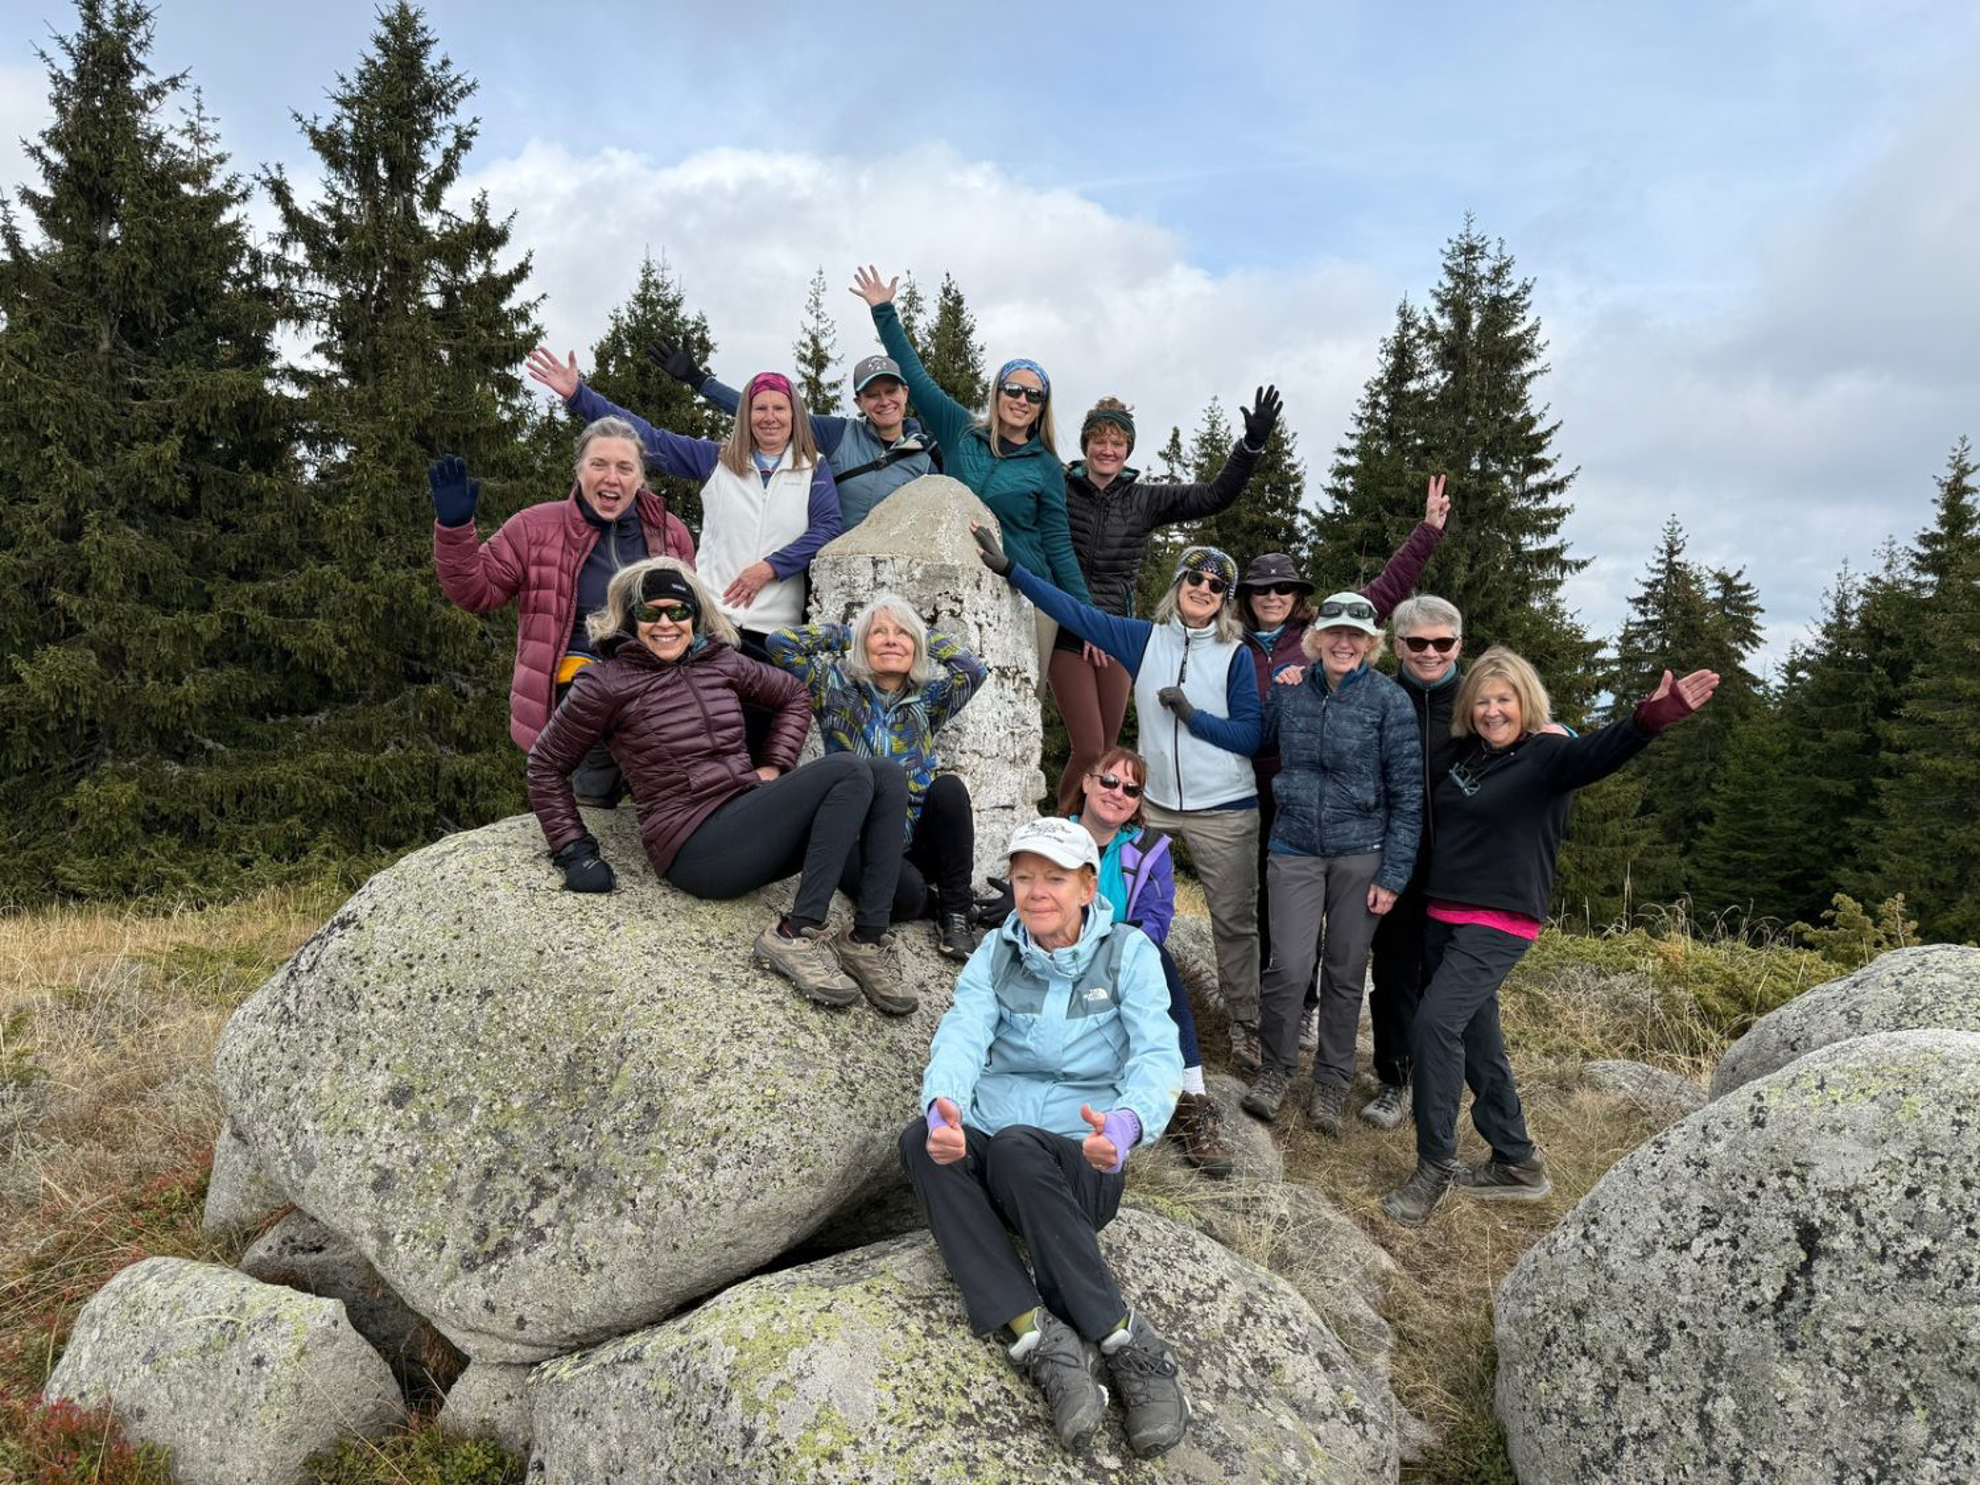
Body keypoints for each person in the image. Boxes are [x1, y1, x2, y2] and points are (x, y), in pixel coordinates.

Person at [1381, 647, 1720, 1226]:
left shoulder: (1548, 755)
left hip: (1499, 919)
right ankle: (1516, 1162)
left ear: (1526, 703)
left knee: (1434, 1025)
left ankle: (1434, 1165)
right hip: (1443, 913)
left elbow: (1598, 753)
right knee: (1477, 1038)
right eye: (1482, 701)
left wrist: (1648, 720)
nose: (1492, 711)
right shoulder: (1469, 754)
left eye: (1504, 700)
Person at [901, 817, 1187, 1459]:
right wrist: (944, 1111)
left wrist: (1127, 1124)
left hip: (1081, 1162)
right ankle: (1040, 1337)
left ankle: (1123, 1340)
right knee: (920, 1141)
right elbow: (962, 1035)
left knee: (1016, 1146)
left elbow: (1157, 1055)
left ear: (1087, 887)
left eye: (1054, 878)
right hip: (1001, 1158)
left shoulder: (1129, 954)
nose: (1035, 892)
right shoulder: (996, 954)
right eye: (1024, 877)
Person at [525, 558, 916, 1014]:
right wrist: (575, 851)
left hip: (745, 816)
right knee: (848, 769)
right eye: (651, 613)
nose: (666, 624)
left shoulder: (718, 660)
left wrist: (774, 765)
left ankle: (867, 938)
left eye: (679, 611)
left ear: (695, 615)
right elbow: (545, 764)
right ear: (631, 619)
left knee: (886, 772)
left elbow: (793, 695)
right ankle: (795, 933)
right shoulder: (605, 682)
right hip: (693, 846)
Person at [973, 525, 1266, 1075]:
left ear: (1225, 600)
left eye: (1216, 585)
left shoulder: (1236, 656)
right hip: (1150, 800)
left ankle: (1245, 1027)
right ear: (1178, 584)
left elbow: (1251, 735)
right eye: (1194, 577)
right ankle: (1074, 984)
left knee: (1232, 922)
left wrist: (1192, 716)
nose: (1203, 588)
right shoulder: (1143, 639)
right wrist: (1013, 570)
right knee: (1090, 877)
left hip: (1224, 804)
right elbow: (1076, 613)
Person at [1239, 474, 1450, 974]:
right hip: (1255, 792)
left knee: (1331, 919)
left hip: (1326, 800)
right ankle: (1282, 994)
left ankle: (1309, 998)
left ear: (1297, 596)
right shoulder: (1229, 645)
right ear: (1247, 596)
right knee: (1272, 907)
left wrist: (1427, 530)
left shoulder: (1324, 634)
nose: (1273, 596)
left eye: (1284, 588)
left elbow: (1389, 587)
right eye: (1262, 589)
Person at [429, 420, 696, 803]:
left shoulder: (670, 533)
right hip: (576, 687)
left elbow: (688, 614)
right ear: (578, 470)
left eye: (625, 468)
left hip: (655, 684)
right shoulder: (534, 528)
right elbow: (477, 593)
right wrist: (455, 529)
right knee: (601, 780)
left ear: (640, 478)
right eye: (598, 464)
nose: (612, 478)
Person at [848, 265, 1089, 673]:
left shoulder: (1046, 466)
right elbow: (916, 376)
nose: (1022, 400)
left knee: (1020, 702)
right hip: (955, 585)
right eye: (1014, 389)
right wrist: (883, 310)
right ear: (998, 393)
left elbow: (1058, 545)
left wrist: (1088, 618)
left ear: (1041, 407)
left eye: (1033, 395)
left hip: (1026, 596)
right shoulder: (960, 430)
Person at [1050, 389, 1281, 813]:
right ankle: (1061, 829)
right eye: (1099, 441)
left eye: (1117, 443)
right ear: (1085, 445)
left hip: (1117, 633)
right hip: (1069, 630)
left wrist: (1250, 446)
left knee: (1107, 752)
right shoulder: (1058, 487)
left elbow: (1213, 496)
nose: (1107, 450)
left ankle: (1095, 836)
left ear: (1128, 449)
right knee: (1088, 748)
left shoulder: (1143, 500)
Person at [1242, 595, 1422, 1135]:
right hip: (1293, 846)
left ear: (1371, 643)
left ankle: (1331, 1083)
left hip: (1361, 851)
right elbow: (1257, 739)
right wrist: (1273, 689)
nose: (1344, 643)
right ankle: (1276, 1069)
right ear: (1316, 638)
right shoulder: (1290, 690)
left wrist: (1393, 874)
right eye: (1334, 633)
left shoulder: (1389, 701)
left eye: (1356, 635)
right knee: (1289, 967)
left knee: (1345, 971)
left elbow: (1408, 794)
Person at [524, 348, 841, 645]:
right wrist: (579, 395)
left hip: (777, 630)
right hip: (713, 622)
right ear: (746, 414)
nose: (769, 417)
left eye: (779, 408)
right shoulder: (715, 459)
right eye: (760, 408)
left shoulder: (814, 468)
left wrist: (770, 568)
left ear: (794, 415)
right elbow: (648, 438)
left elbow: (827, 527)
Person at [765, 596, 986, 962]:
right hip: (858, 837)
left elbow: (972, 671)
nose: (890, 640)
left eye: (902, 634)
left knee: (950, 789)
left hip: (916, 837)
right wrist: (852, 633)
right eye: (878, 632)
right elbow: (780, 645)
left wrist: (920, 634)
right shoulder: (833, 689)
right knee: (907, 897)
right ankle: (932, 903)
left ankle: (956, 914)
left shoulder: (929, 700)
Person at [1072, 746, 1231, 1176]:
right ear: (1086, 782)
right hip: (1059, 953)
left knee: (1156, 957)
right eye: (1109, 781)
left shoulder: (1149, 849)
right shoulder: (1054, 836)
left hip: (1121, 957)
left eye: (1131, 788)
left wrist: (1104, 940)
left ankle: (1192, 1098)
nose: (1117, 793)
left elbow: (1155, 920)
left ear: (1138, 801)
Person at [1360, 594, 1468, 1131]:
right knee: (1395, 972)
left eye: (1442, 642)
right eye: (1418, 642)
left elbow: (1529, 734)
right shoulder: (1375, 695)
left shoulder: (1478, 698)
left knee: (1451, 978)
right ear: (1398, 645)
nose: (1430, 652)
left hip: (1460, 863)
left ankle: (1445, 1076)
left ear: (1458, 645)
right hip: (1393, 860)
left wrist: (1558, 731)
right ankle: (1396, 1078)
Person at [647, 342, 937, 530]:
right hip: (831, 572)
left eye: (891, 391)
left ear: (905, 393)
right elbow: (768, 414)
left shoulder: (926, 460)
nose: (884, 401)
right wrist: (699, 380)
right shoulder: (838, 434)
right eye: (872, 395)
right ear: (858, 402)